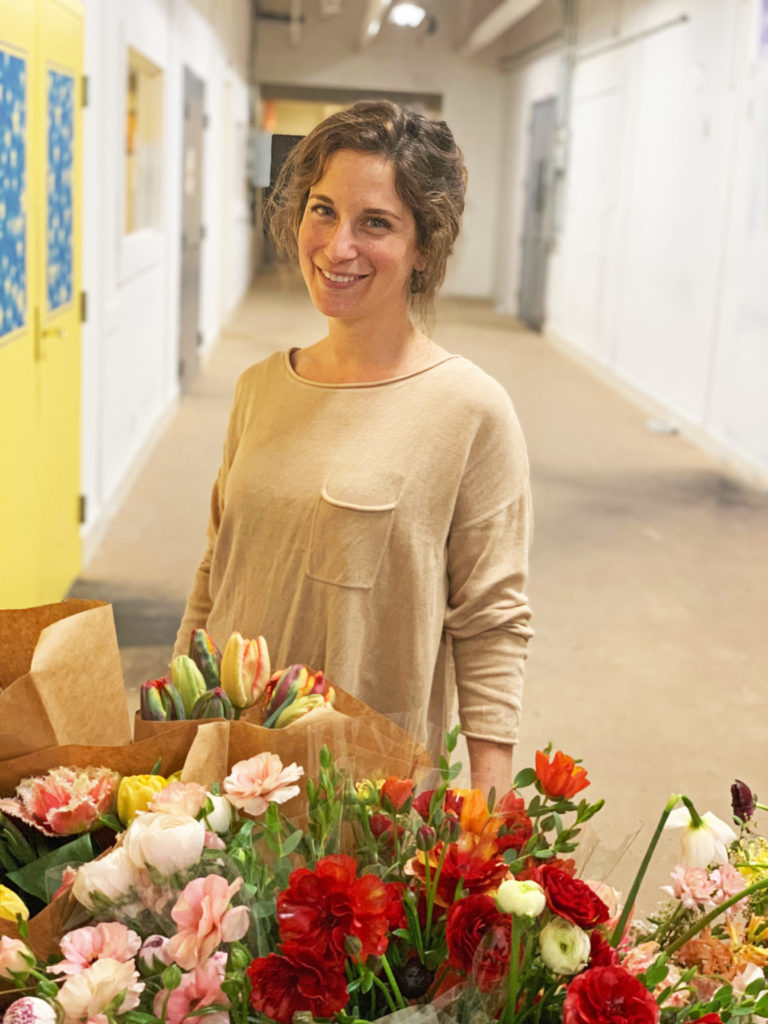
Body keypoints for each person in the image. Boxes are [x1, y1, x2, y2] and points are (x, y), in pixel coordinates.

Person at [174, 100, 533, 791]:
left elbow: (491, 619)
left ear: (424, 247)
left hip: (360, 794)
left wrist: (491, 799)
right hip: (222, 770)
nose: (339, 246)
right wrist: (174, 726)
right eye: (324, 209)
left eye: (377, 223)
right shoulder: (259, 387)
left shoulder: (470, 411)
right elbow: (217, 570)